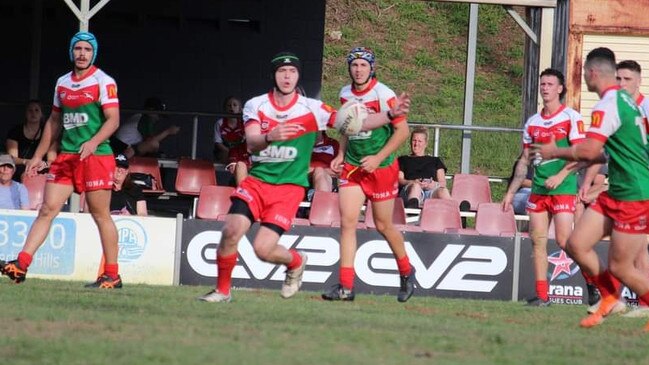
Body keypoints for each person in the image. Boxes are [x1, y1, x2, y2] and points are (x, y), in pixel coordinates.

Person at [199, 51, 410, 303]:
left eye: (292, 72)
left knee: (263, 249)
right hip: (260, 181)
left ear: (298, 76)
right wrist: (270, 137)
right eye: (281, 71)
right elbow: (253, 143)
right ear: (273, 76)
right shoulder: (256, 104)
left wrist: (388, 115)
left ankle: (299, 262)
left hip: (295, 186)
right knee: (231, 230)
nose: (287, 76)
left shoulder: (314, 109)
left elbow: (354, 124)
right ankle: (224, 291)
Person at [534, 47, 649, 330]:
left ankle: (615, 295)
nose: (584, 76)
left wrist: (554, 152)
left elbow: (589, 151)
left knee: (623, 266)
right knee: (576, 244)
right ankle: (612, 296)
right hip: (618, 190)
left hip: (634, 194)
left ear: (593, 73)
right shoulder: (625, 100)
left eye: (584, 71)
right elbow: (601, 154)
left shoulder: (608, 104)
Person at [0, 31, 122, 289]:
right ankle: (21, 265)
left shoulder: (103, 81)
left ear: (93, 53)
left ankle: (112, 274)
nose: (82, 53)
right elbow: (54, 122)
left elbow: (113, 119)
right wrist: (37, 156)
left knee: (100, 214)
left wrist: (93, 142)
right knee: (47, 208)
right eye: (77, 49)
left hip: (97, 155)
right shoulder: (62, 82)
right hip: (67, 156)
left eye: (87, 50)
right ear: (71, 52)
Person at [322, 46, 415, 302]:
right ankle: (346, 287)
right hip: (353, 166)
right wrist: (340, 154)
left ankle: (407, 273)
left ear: (372, 67)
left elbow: (403, 132)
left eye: (363, 65)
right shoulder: (344, 93)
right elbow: (346, 126)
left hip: (381, 168)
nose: (358, 69)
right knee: (347, 223)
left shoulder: (384, 94)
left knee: (383, 225)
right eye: (354, 65)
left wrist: (377, 158)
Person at [502, 68, 586, 307]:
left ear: (560, 88)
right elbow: (524, 160)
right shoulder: (533, 122)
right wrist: (510, 192)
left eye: (550, 84)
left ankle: (592, 282)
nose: (545, 87)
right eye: (542, 84)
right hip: (539, 190)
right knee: (537, 241)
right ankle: (542, 296)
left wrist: (560, 175)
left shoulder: (571, 117)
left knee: (564, 241)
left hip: (563, 188)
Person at [616, 60, 649, 317]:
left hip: (642, 186)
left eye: (627, 79)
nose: (621, 84)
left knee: (638, 246)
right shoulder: (619, 109)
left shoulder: (645, 108)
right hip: (628, 186)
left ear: (638, 80)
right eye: (618, 79)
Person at [397, 126, 451, 209]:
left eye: (419, 141)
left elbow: (443, 182)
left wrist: (434, 184)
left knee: (443, 191)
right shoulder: (403, 160)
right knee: (416, 187)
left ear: (425, 144)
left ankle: (458, 213)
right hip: (410, 188)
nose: (416, 144)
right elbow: (399, 179)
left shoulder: (435, 160)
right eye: (414, 140)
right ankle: (413, 212)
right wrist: (412, 182)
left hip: (430, 190)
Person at [5, 100, 57, 181]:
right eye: (30, 110)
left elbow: (52, 160)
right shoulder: (15, 131)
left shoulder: (48, 133)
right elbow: (11, 158)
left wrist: (44, 164)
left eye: (37, 110)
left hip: (42, 169)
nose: (33, 113)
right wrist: (27, 162)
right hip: (21, 169)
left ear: (41, 114)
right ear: (25, 113)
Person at [114, 97, 180, 157]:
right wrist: (168, 132)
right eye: (158, 115)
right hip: (121, 149)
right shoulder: (144, 118)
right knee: (154, 144)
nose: (158, 118)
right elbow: (151, 142)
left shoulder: (142, 117)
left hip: (127, 148)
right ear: (150, 110)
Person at [213, 96, 249, 186]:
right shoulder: (220, 123)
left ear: (240, 109)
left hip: (239, 152)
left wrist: (235, 155)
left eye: (234, 105)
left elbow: (245, 142)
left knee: (243, 160)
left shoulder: (244, 123)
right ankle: (237, 181)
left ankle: (236, 182)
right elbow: (218, 143)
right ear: (225, 109)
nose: (232, 108)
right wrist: (230, 153)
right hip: (224, 150)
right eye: (229, 106)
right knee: (232, 159)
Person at [309, 130, 340, 195]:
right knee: (319, 170)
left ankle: (322, 199)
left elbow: (339, 170)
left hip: (328, 177)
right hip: (306, 178)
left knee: (319, 171)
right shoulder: (300, 145)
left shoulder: (333, 144)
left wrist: (321, 170)